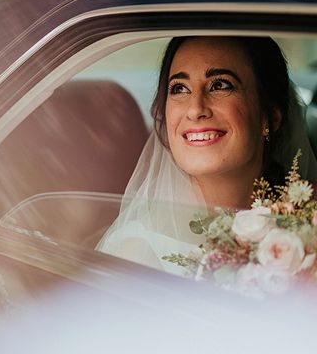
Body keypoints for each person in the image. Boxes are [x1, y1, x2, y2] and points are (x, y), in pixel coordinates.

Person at [96, 36, 317, 274]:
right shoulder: (136, 253)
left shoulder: (306, 225)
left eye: (220, 85)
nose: (195, 109)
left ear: (269, 117)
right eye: (179, 88)